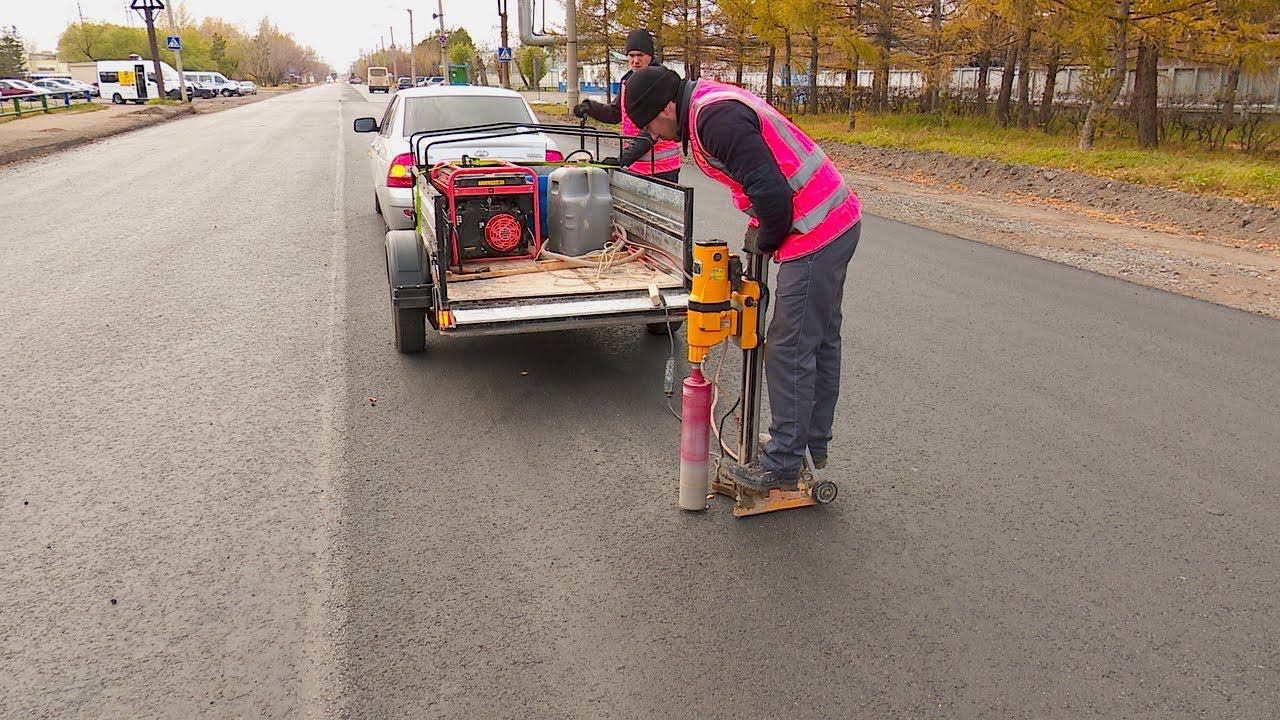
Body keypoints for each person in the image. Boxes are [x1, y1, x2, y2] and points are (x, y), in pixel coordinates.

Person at [624, 66, 863, 492]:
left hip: (816, 229)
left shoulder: (712, 119)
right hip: (835, 215)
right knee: (820, 338)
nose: (655, 135)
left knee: (789, 346)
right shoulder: (705, 105)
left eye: (651, 125)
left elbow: (772, 195)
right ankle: (809, 442)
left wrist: (767, 238)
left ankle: (783, 464)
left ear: (665, 106)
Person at [571, 29, 682, 183]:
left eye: (640, 55)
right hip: (637, 165)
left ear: (650, 56)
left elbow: (650, 133)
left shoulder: (657, 84)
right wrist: (589, 108)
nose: (635, 60)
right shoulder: (629, 82)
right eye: (631, 55)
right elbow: (616, 114)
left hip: (661, 169)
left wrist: (620, 160)